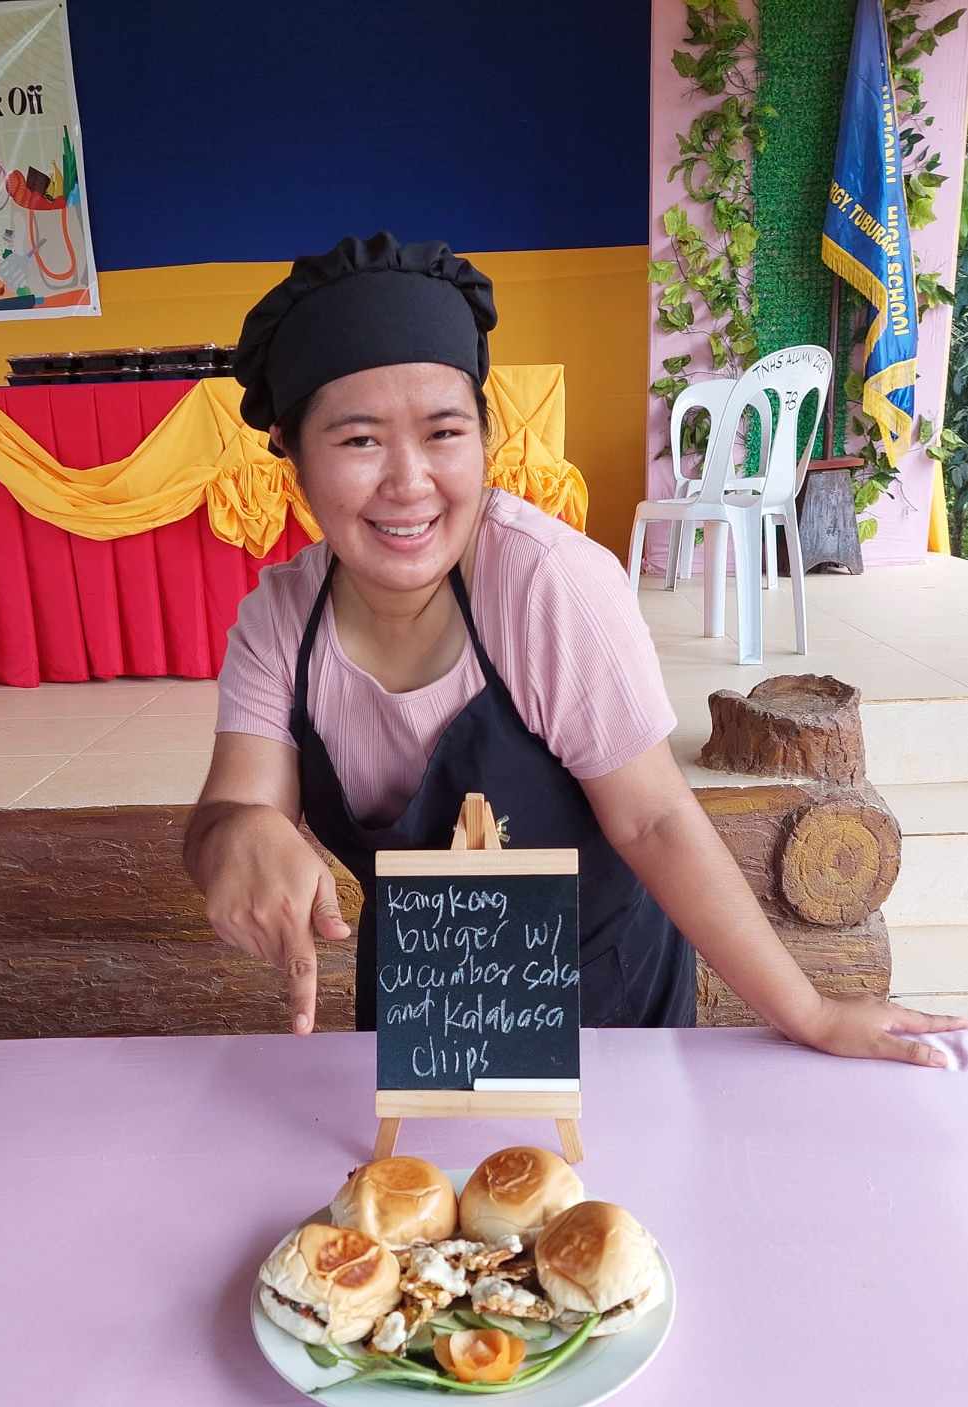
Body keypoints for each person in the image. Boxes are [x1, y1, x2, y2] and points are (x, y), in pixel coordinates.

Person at [184, 232, 964, 1068]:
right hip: (422, 1012)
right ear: (294, 460)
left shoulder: (544, 582)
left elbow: (654, 818)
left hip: (607, 1006)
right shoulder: (282, 621)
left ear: (483, 440)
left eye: (444, 433)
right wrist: (237, 835)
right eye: (358, 441)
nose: (408, 481)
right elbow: (228, 815)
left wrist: (808, 1013)